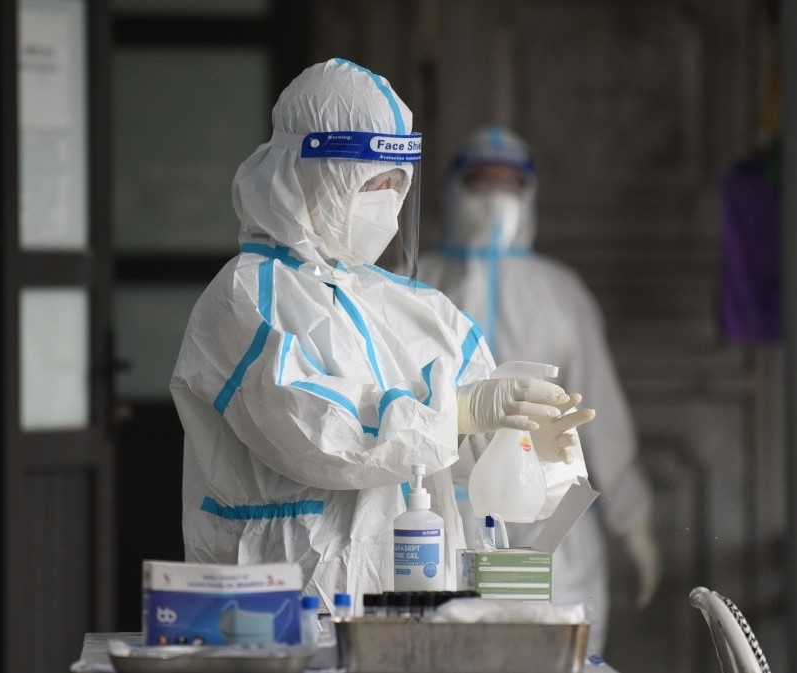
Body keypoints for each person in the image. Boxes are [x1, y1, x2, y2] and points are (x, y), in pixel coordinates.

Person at [170, 60, 595, 611]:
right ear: (305, 171)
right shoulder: (245, 297)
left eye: (397, 182)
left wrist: (528, 452)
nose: (386, 198)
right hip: (282, 605)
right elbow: (315, 432)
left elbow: (484, 483)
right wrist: (460, 413)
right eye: (369, 181)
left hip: (425, 604)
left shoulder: (425, 311)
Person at [417, 126, 661, 652]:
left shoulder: (560, 292)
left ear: (530, 195)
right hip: (441, 519)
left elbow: (599, 410)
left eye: (510, 185)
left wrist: (633, 519)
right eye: (480, 183)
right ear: (452, 190)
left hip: (550, 525)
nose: (494, 198)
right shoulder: (413, 284)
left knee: (557, 655)